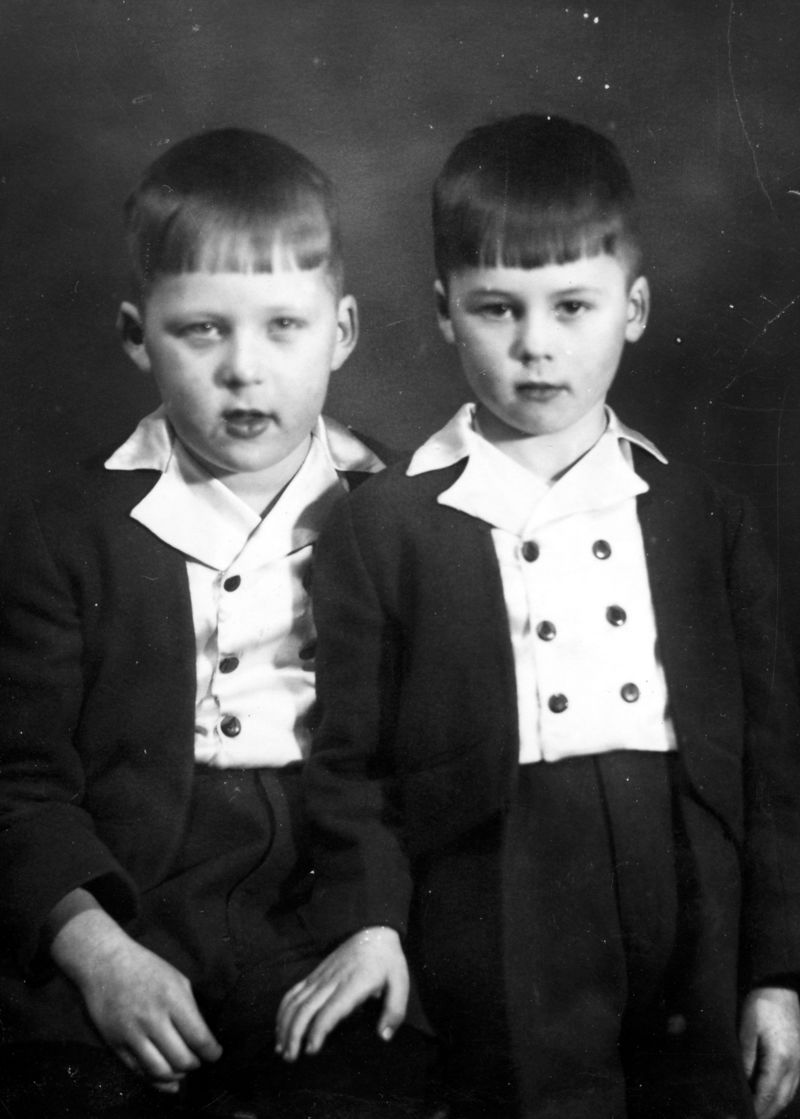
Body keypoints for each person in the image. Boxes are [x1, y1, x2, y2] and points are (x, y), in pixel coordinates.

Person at [276, 114, 800, 1118]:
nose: (535, 346)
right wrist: (374, 921)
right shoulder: (384, 525)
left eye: (571, 306)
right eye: (496, 309)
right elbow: (351, 764)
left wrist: (779, 970)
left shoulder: (702, 517)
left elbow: (773, 768)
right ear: (444, 312)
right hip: (500, 889)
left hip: (693, 882)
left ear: (633, 308)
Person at [0, 127, 391, 1111]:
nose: (244, 370)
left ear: (341, 331)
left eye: (283, 326)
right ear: (139, 336)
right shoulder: (67, 530)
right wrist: (97, 951)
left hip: (328, 890)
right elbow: (19, 778)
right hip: (125, 886)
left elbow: (426, 758)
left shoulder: (396, 511)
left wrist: (376, 920)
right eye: (202, 330)